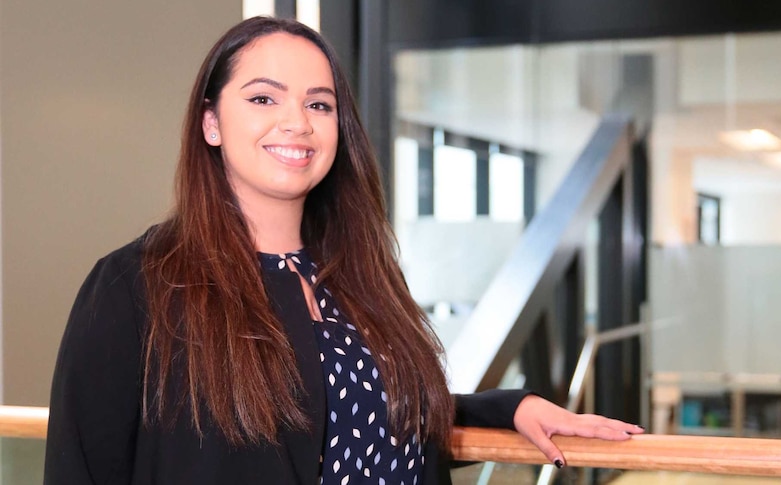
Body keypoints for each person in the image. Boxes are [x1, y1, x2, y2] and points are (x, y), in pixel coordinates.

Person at [44, 16, 642, 485]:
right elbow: (83, 470)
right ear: (211, 124)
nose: (297, 123)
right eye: (262, 99)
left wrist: (506, 409)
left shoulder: (360, 277)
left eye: (319, 104)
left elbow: (351, 410)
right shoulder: (137, 287)